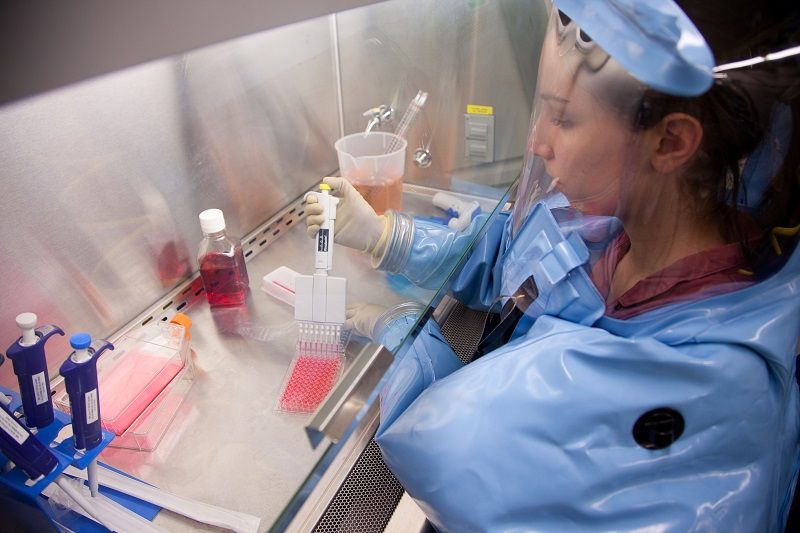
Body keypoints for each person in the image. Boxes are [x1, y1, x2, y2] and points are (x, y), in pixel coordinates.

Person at [304, 0, 800, 530]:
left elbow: (449, 444)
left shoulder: (699, 386)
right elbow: (526, 262)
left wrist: (404, 342)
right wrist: (389, 237)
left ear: (671, 141)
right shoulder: (639, 225)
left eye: (563, 118)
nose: (538, 142)